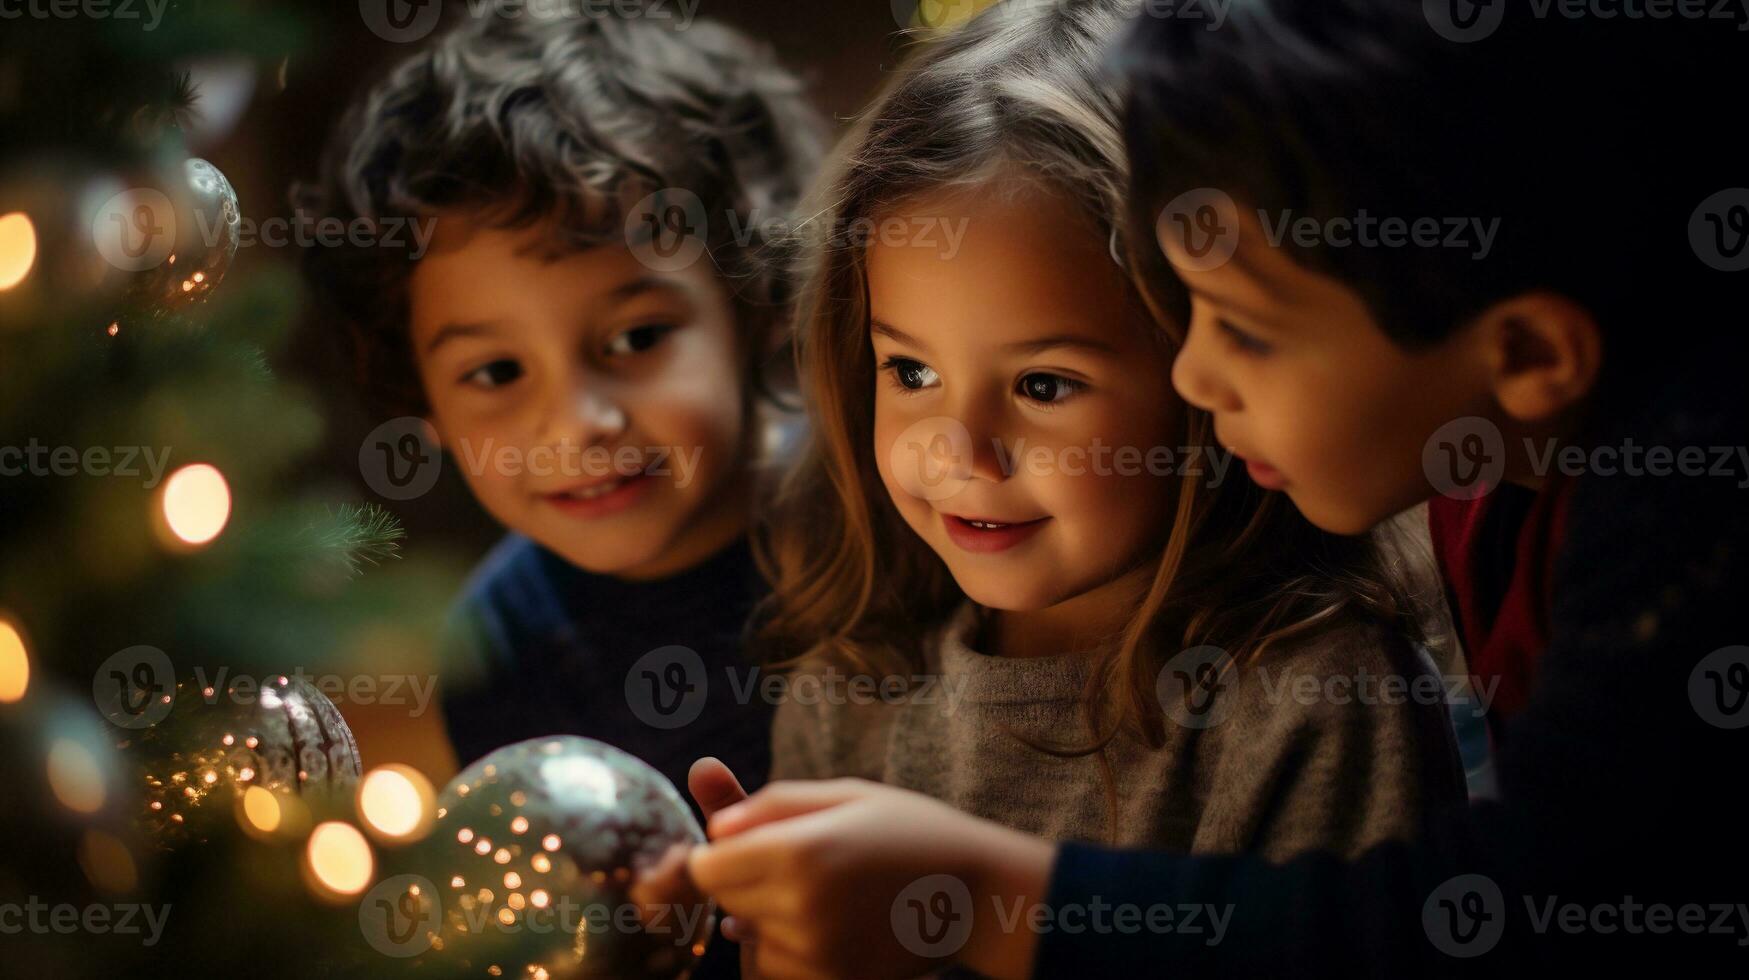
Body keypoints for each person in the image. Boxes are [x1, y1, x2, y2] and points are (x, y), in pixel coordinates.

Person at [679, 2, 1749, 977]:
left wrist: (971, 900)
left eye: (1239, 328)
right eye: (907, 370)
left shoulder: (1660, 531)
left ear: (1524, 348)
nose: (1197, 376)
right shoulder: (852, 667)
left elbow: (1494, 912)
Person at [298, 0, 823, 840]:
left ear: (752, 298)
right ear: (420, 400)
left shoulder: (882, 523)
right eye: (496, 372)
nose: (576, 425)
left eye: (635, 337)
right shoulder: (498, 649)